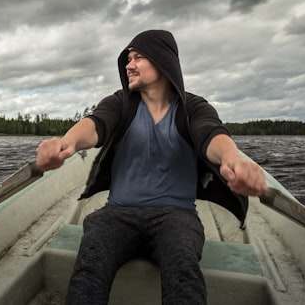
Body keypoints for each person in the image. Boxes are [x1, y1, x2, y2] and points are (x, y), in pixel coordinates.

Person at [36, 30, 267, 305]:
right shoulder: (121, 103)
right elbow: (97, 123)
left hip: (177, 216)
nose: (128, 65)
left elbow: (211, 134)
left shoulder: (193, 107)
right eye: (128, 58)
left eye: (138, 57)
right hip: (117, 214)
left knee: (184, 269)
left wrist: (233, 160)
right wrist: (68, 142)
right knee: (91, 259)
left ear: (163, 61)